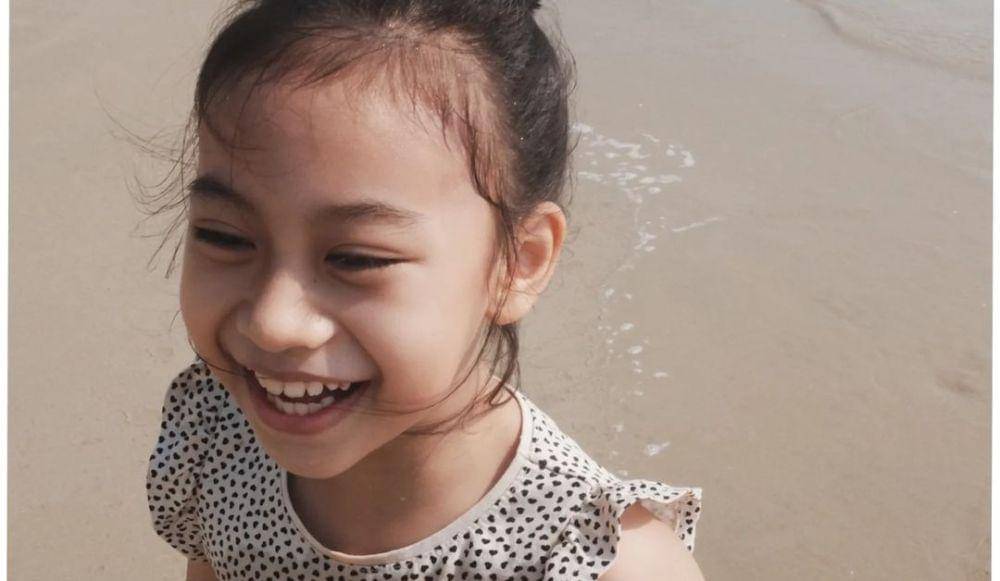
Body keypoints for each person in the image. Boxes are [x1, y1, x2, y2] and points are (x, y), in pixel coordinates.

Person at [144, 1, 705, 579]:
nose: (272, 322)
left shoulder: (598, 562)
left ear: (518, 262)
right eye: (225, 237)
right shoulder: (219, 428)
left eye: (356, 258)